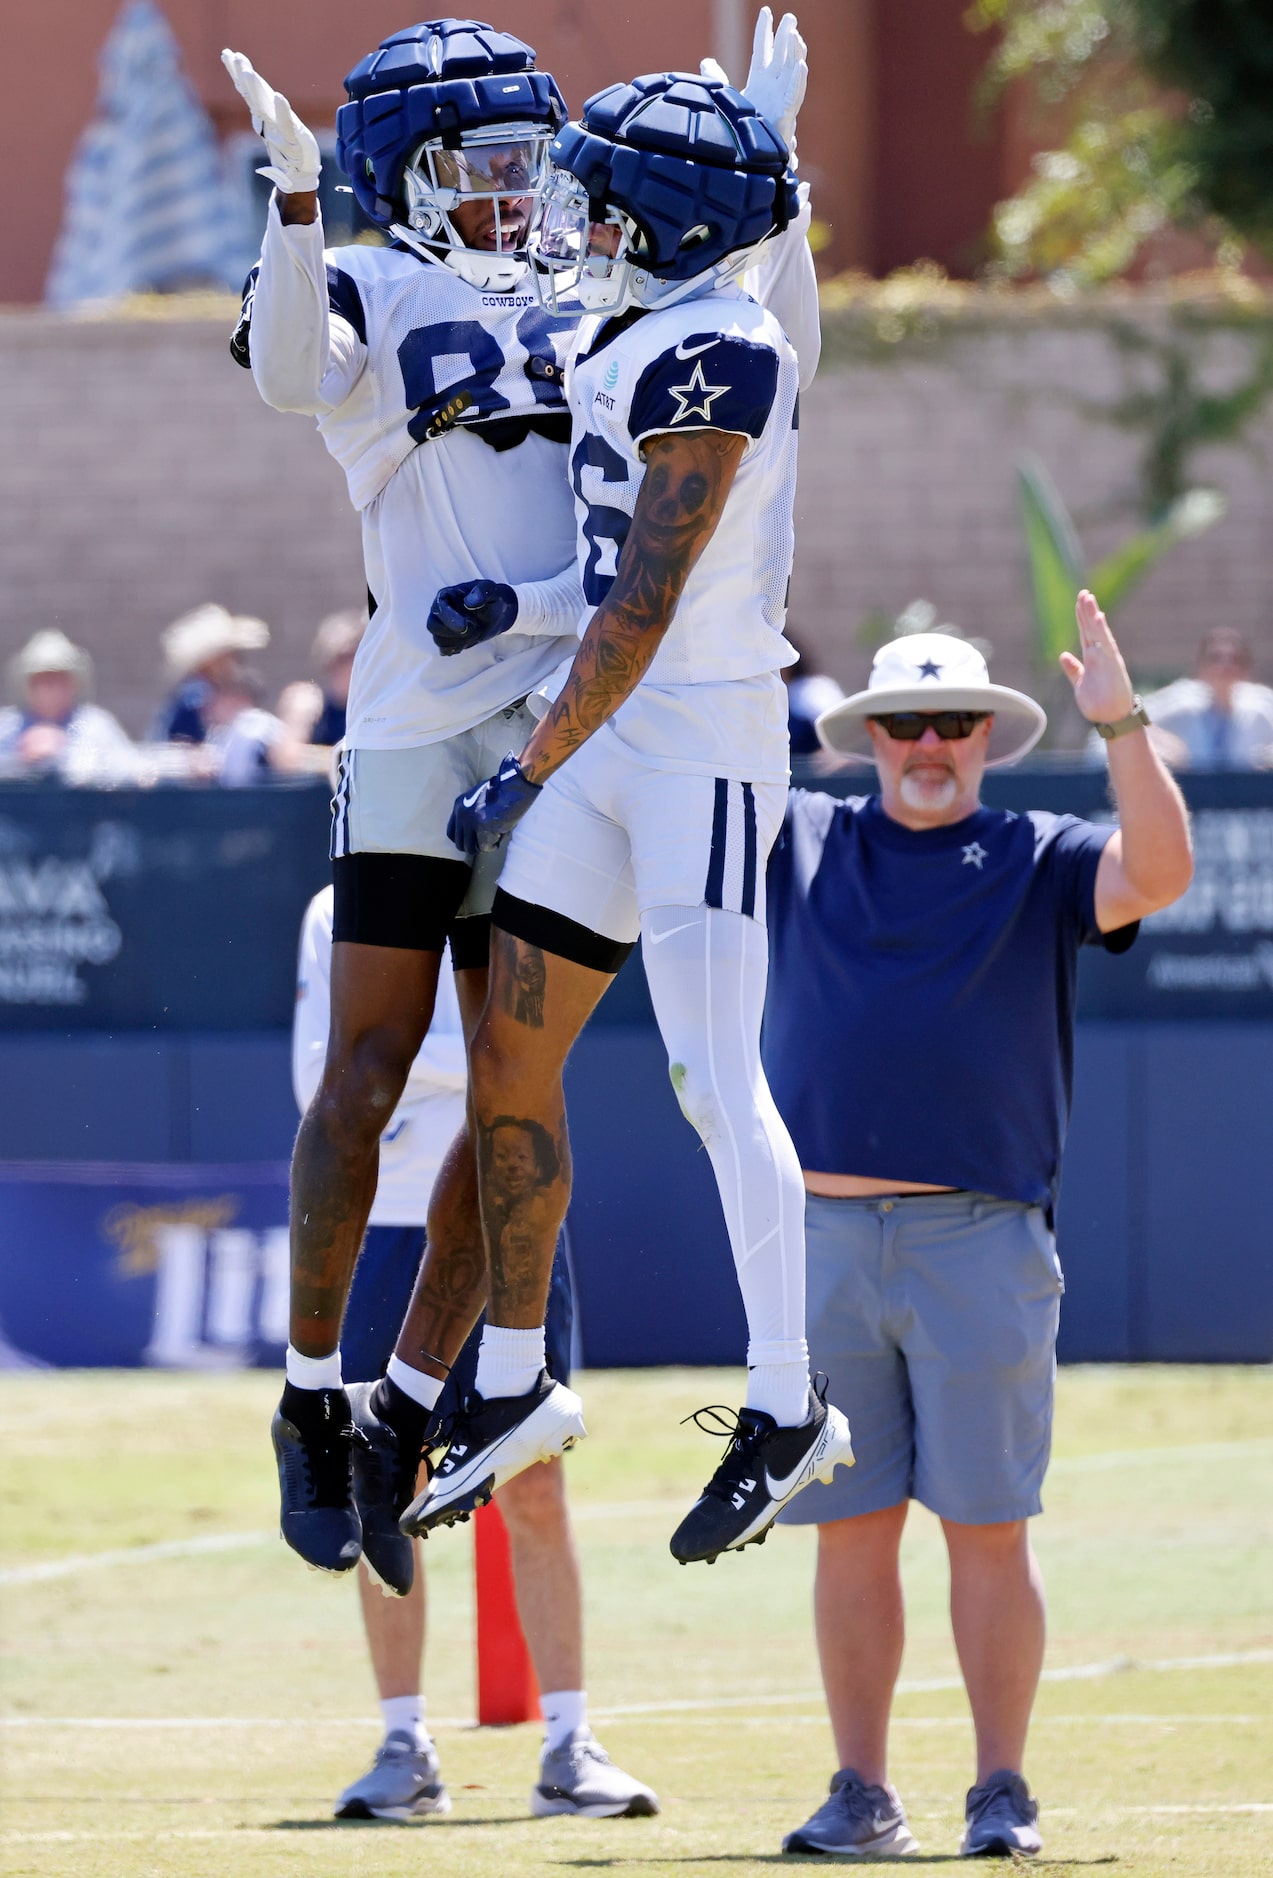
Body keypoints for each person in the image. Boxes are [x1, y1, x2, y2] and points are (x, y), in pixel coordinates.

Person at [220, 14, 823, 1576]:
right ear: (401, 179)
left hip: (572, 721)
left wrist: (771, 172)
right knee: (366, 1071)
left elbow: (731, 335)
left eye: (527, 164)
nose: (519, 194)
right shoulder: (362, 279)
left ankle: (424, 1396)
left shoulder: (598, 288)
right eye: (483, 166)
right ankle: (306, 1394)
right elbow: (291, 375)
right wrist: (293, 208)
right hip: (427, 722)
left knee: (512, 1072)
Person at [409, 37, 853, 1569]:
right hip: (607, 727)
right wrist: (518, 606)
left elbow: (653, 609)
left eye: (601, 202)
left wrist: (526, 756)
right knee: (509, 1058)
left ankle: (789, 1400)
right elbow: (608, 576)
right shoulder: (641, 330)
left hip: (697, 743)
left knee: (713, 1081)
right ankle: (518, 1377)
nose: (571, 222)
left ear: (662, 222)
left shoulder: (720, 347)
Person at [761, 597, 1192, 1858]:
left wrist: (1118, 718)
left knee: (988, 1529)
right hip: (827, 1243)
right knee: (846, 1536)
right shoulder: (800, 836)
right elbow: (685, 792)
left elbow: (1158, 873)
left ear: (988, 736)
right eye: (904, 725)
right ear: (869, 738)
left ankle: (999, 1792)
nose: (928, 743)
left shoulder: (1035, 850)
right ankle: (860, 1793)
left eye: (952, 722)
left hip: (981, 1241)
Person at [293, 888, 656, 1820]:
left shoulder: (533, 896)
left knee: (533, 1479)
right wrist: (488, 1071)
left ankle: (571, 1744)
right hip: (383, 1235)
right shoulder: (341, 909)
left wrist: (446, 1070)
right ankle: (403, 1743)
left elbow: (529, 1065)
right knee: (385, 1477)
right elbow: (330, 1083)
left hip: (512, 1227)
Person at [0, 630, 135, 784]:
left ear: (73, 683)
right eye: (42, 680)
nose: (50, 688)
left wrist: (63, 754)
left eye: (58, 679)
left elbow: (130, 771)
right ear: (28, 685)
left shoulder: (95, 725)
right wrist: (20, 760)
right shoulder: (7, 727)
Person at [1138, 627, 1273, 769]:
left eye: (1234, 660)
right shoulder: (1183, 702)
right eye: (1215, 658)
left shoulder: (1260, 707)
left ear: (1246, 669)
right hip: (1192, 788)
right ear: (1201, 666)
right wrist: (1163, 743)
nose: (1225, 666)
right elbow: (1134, 716)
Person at [151, 603, 270, 744]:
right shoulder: (195, 695)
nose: (234, 661)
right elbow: (182, 740)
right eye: (228, 655)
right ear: (211, 661)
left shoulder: (217, 689)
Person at [274, 608, 366, 774]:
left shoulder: (376, 707)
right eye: (340, 658)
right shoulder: (311, 703)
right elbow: (286, 759)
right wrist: (299, 721)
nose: (349, 665)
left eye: (355, 654)